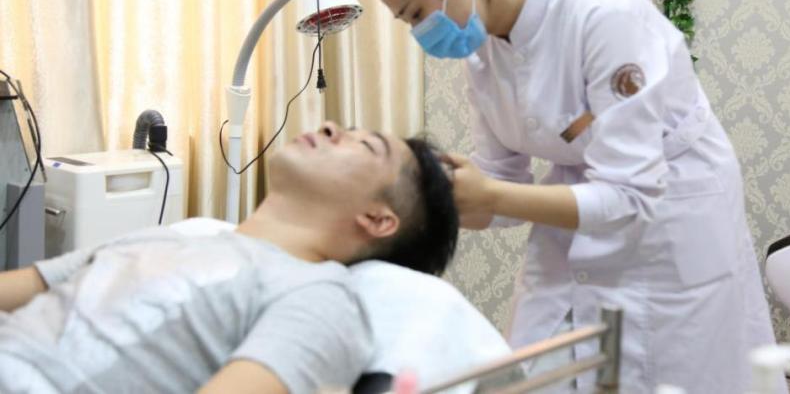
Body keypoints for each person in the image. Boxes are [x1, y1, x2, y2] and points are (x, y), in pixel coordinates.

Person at [367, 0, 785, 394]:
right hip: (581, 199)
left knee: (671, 370)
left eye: (416, 14)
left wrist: (490, 196)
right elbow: (499, 177)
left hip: (670, 206)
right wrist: (434, 197)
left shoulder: (600, 15)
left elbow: (628, 195)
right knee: (542, 364)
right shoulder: (483, 46)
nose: (420, 33)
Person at [0, 122, 458, 394]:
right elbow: (19, 289)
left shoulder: (319, 298)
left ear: (378, 219)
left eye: (365, 145)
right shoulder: (171, 238)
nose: (330, 127)